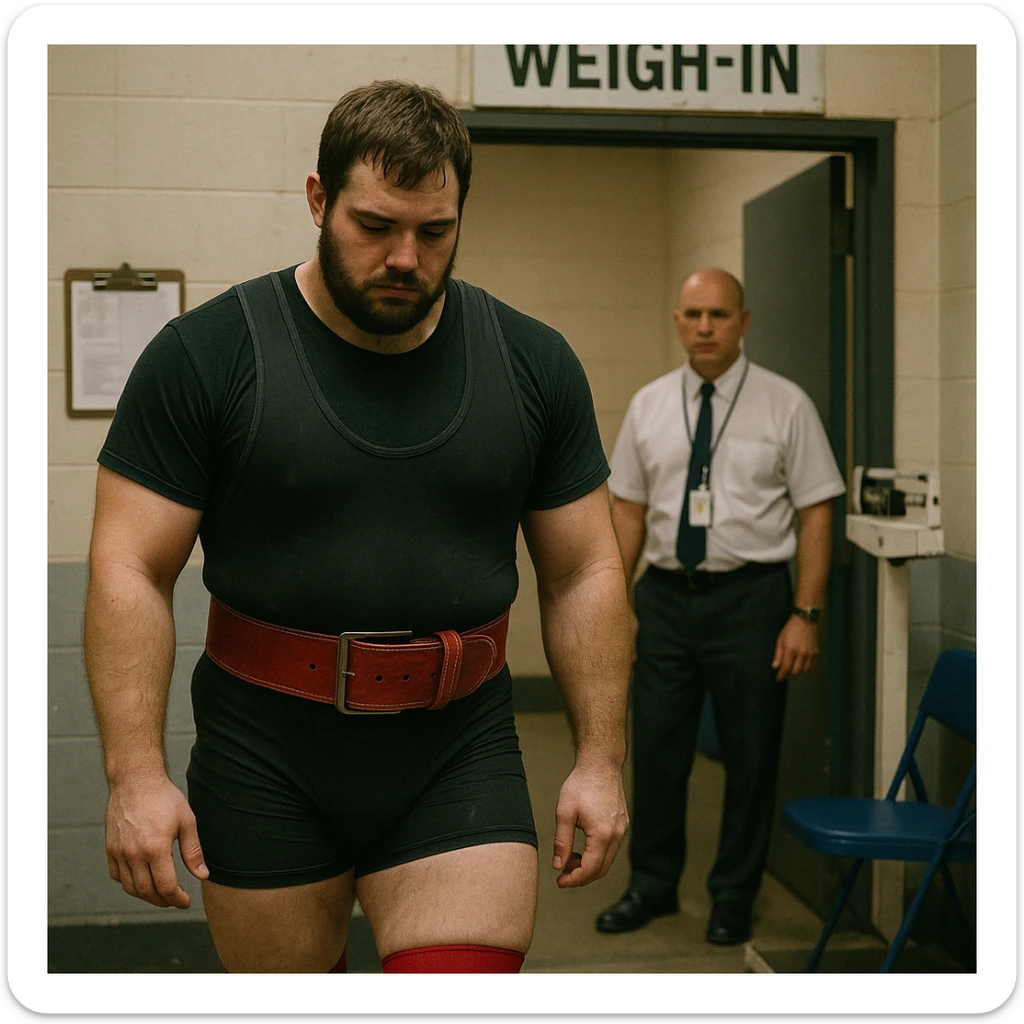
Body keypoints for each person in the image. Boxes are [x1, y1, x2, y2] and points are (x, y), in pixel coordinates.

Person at [84, 80, 631, 975]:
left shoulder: (534, 363)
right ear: (317, 200)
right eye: (374, 227)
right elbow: (128, 570)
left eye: (434, 231)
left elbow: (587, 574)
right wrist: (133, 776)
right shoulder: (206, 356)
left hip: (457, 745)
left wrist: (602, 760)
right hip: (265, 750)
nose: (405, 257)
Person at [595, 267, 845, 945]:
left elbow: (817, 510)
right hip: (667, 598)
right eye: (692, 314)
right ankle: (651, 885)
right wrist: (618, 603)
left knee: (750, 751)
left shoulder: (784, 405)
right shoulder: (650, 404)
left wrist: (806, 613)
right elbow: (630, 510)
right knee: (657, 749)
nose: (704, 327)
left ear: (743, 322)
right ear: (677, 321)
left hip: (753, 600)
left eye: (719, 315)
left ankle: (734, 894)